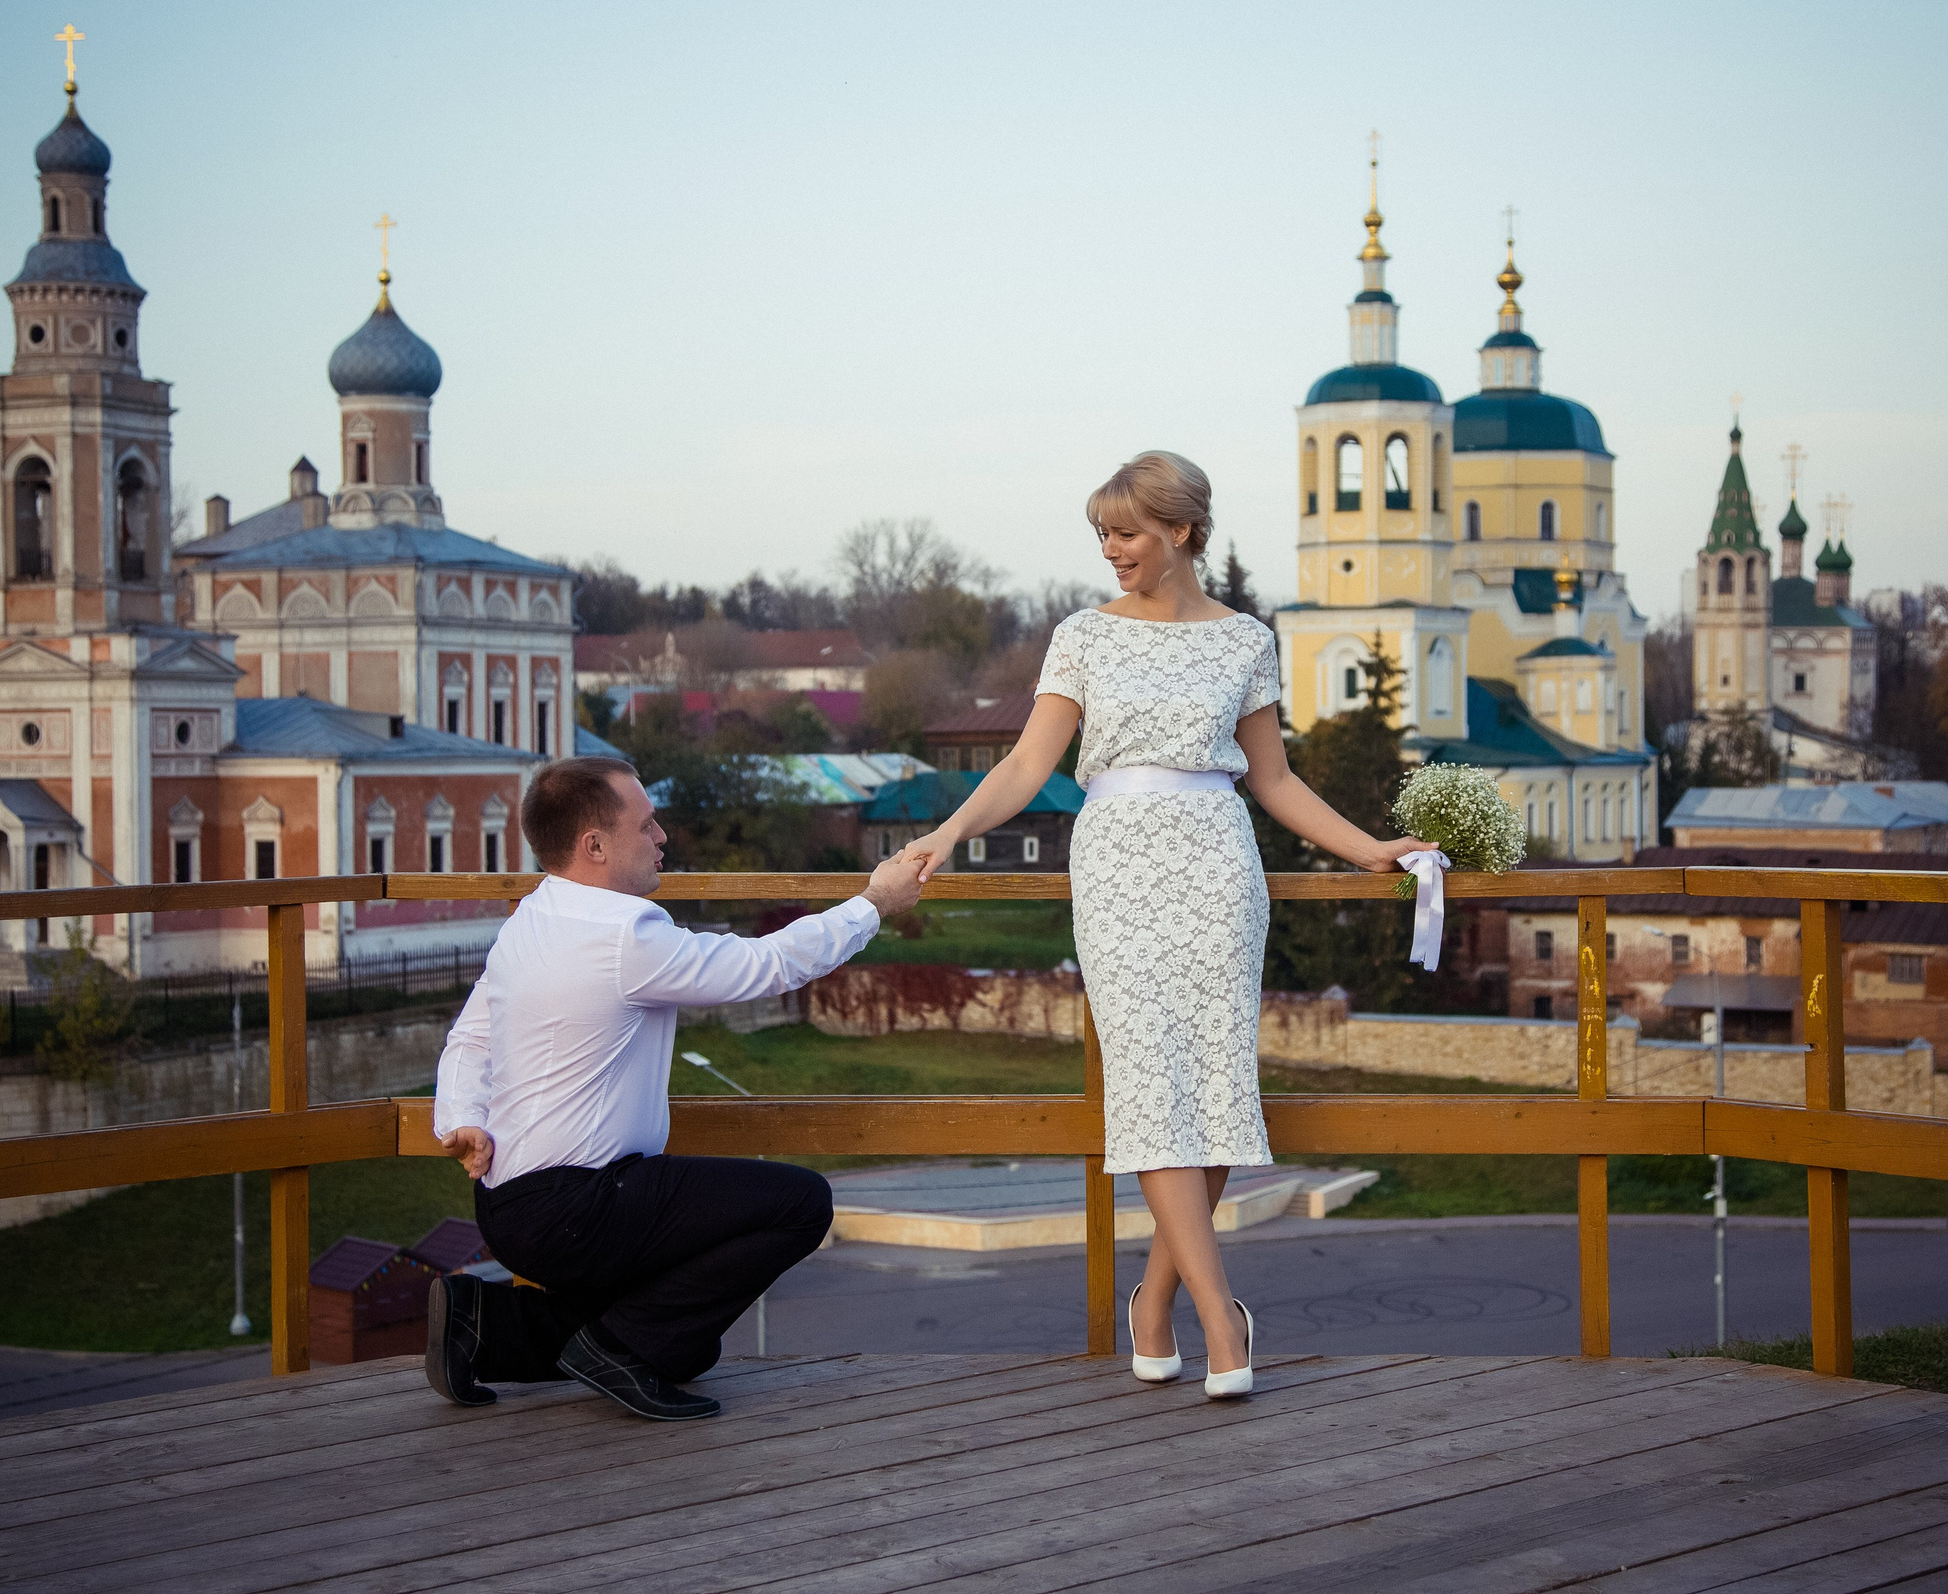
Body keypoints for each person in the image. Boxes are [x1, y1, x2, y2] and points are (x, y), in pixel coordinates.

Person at [897, 451, 1429, 1398]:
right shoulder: (1082, 636)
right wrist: (946, 832)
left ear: (1183, 531)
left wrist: (1367, 849)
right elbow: (1026, 767)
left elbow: (1274, 780)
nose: (1112, 549)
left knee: (1217, 1081)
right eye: (1102, 533)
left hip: (1221, 863)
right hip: (1116, 865)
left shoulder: (1246, 642)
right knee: (1150, 1079)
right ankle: (1223, 1321)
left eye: (1129, 532)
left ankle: (1152, 1301)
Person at [427, 754, 925, 1421]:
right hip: (578, 1207)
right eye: (648, 824)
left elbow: (469, 1039)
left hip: (509, 1205)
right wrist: (874, 903)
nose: (663, 837)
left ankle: (485, 1322)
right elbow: (766, 964)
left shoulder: (532, 918)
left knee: (684, 1348)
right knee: (800, 1203)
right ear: (595, 845)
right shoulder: (624, 934)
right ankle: (619, 1349)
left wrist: (461, 1116)